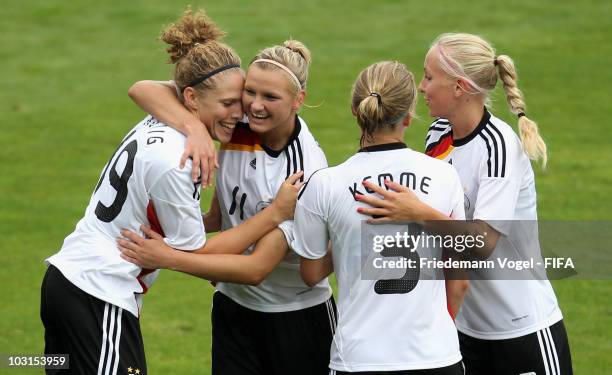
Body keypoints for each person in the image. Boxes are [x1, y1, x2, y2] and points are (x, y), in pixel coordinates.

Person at [40, 9, 302, 375]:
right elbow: (197, 252)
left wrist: (194, 127)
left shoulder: (166, 117)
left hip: (66, 284)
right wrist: (274, 214)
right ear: (192, 98)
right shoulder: (179, 161)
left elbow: (143, 89)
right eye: (228, 104)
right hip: (98, 296)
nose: (240, 113)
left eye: (238, 100)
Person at [358, 33, 572, 375]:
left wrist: (416, 212)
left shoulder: (499, 146)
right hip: (462, 330)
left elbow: (481, 242)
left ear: (459, 87)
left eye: (429, 77)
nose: (421, 86)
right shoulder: (438, 134)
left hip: (521, 330)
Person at [119, 40, 336, 375]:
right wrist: (194, 129)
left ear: (298, 101)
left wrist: (167, 257)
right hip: (233, 310)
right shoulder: (238, 122)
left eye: (270, 97)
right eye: (251, 92)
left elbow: (257, 269)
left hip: (295, 319)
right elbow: (143, 90)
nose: (255, 106)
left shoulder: (304, 171)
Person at [291, 61, 466, 374]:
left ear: (356, 112)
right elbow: (462, 272)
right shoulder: (444, 175)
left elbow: (311, 273)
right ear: (409, 116)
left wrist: (347, 237)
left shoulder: (325, 184)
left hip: (359, 360)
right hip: (435, 357)